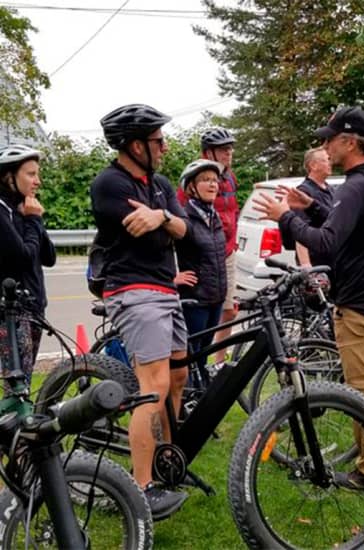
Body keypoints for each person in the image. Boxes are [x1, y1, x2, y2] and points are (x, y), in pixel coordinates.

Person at [253, 105, 364, 491]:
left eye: (329, 139)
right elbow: (354, 221)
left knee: (363, 391)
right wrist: (314, 206)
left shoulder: (356, 185)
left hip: (360, 306)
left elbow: (327, 241)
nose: (325, 147)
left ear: (349, 141)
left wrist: (285, 217)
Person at [91, 103, 188, 521]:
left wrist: (161, 214)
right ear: (135, 145)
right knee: (153, 387)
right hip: (134, 289)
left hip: (166, 287)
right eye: (158, 141)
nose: (164, 147)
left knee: (179, 376)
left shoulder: (160, 184)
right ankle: (141, 488)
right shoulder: (108, 183)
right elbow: (138, 226)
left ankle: (167, 460)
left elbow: (184, 229)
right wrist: (158, 219)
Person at [177, 127, 239, 362]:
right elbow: (179, 224)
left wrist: (229, 244)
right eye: (223, 149)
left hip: (225, 251)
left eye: (230, 148)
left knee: (229, 310)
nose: (228, 153)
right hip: (203, 257)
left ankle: (219, 362)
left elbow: (232, 211)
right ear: (207, 153)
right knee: (197, 329)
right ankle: (196, 370)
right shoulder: (192, 182)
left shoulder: (230, 178)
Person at [0, 144, 56, 383]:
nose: (38, 181)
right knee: (17, 383)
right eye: (31, 174)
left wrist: (34, 220)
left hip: (34, 306)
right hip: (11, 311)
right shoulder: (2, 210)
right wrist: (33, 221)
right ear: (8, 176)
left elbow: (49, 257)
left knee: (25, 378)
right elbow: (22, 257)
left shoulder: (23, 208)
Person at [175, 159, 227, 376]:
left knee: (205, 352)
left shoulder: (214, 216)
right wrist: (172, 277)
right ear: (191, 187)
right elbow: (160, 250)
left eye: (215, 180)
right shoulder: (183, 217)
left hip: (216, 297)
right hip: (195, 299)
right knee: (191, 354)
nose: (213, 185)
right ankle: (188, 397)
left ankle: (200, 397)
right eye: (205, 180)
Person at [294, 147, 334, 267]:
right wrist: (306, 265)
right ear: (313, 165)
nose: (330, 163)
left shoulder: (331, 190)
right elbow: (299, 230)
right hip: (316, 263)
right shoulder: (303, 192)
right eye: (326, 160)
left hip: (332, 261)